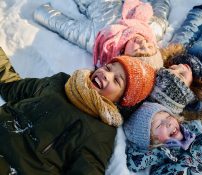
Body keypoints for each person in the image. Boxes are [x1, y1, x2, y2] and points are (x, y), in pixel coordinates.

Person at [0, 48, 155, 174]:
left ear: (120, 101)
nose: (106, 75)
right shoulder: (60, 82)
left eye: (116, 80)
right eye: (108, 68)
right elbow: (11, 86)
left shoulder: (100, 132)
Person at [33, 0, 170, 69]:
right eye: (150, 47)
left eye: (139, 51)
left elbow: (68, 28)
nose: (143, 43)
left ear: (126, 57)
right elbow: (161, 10)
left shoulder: (103, 39)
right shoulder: (153, 29)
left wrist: (42, 13)